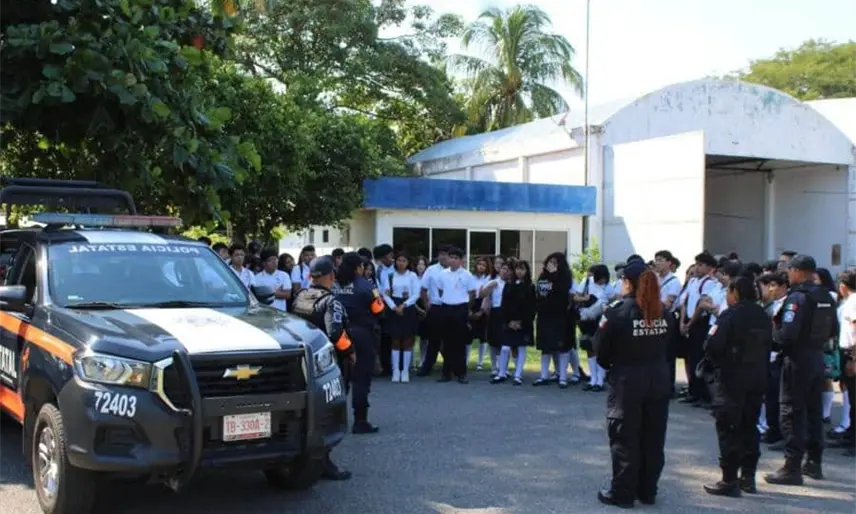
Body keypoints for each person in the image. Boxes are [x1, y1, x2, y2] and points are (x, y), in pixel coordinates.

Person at [593, 259, 673, 508]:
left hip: (628, 383)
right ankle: (647, 491)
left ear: (628, 283)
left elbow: (601, 350)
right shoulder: (664, 312)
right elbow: (671, 346)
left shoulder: (617, 313)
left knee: (625, 439)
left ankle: (623, 493)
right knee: (653, 437)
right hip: (658, 380)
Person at [765, 254, 837, 485]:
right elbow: (833, 329)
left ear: (798, 271)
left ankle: (792, 466)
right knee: (814, 412)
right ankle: (814, 462)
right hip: (816, 357)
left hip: (797, 360)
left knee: (792, 412)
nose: (788, 274)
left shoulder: (798, 297)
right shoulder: (824, 294)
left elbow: (787, 334)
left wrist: (773, 333)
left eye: (790, 270)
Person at [701, 275, 772, 497]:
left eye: (729, 292)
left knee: (728, 427)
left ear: (735, 292)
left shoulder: (729, 315)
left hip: (732, 378)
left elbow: (712, 345)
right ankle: (748, 477)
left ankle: (729, 479)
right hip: (757, 376)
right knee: (750, 426)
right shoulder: (763, 314)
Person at [290, 256, 355, 481]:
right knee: (328, 415)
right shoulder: (330, 301)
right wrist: (350, 352)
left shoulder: (300, 297)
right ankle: (324, 462)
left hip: (300, 366)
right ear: (331, 276)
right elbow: (336, 333)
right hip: (327, 367)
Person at [333, 252, 385, 434]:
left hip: (338, 335)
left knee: (338, 379)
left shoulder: (334, 285)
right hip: (362, 335)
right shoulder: (366, 286)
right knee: (361, 379)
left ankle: (332, 420)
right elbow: (379, 310)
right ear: (358, 268)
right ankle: (360, 421)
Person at [436, 247, 477, 383]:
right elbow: (441, 291)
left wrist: (466, 307)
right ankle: (446, 373)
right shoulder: (442, 274)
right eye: (450, 257)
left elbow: (472, 294)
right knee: (446, 342)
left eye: (456, 258)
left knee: (460, 342)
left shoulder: (467, 275)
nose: (452, 260)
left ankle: (461, 373)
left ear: (461, 260)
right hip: (446, 308)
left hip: (461, 309)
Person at [533, 252, 573, 388]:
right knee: (545, 347)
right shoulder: (543, 276)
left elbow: (562, 290)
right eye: (550, 262)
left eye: (555, 263)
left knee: (562, 347)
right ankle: (543, 375)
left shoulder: (565, 276)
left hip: (560, 316)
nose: (551, 265)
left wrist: (554, 274)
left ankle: (562, 377)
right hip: (545, 315)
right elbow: (540, 293)